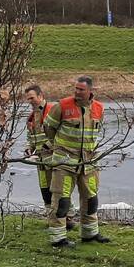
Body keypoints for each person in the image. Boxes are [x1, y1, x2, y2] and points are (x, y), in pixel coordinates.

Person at [43, 76, 111, 248]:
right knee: (61, 201)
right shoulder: (63, 106)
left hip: (89, 162)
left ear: (90, 91)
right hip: (65, 162)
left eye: (81, 89)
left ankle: (89, 233)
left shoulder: (98, 108)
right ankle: (58, 239)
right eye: (76, 89)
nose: (77, 92)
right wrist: (58, 147)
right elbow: (49, 127)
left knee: (91, 199)